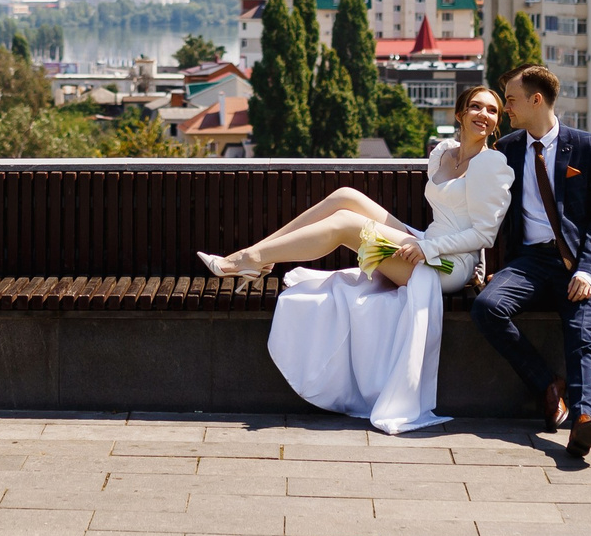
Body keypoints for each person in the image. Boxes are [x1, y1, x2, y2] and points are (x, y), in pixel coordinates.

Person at [197, 88, 512, 433]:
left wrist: (430, 251)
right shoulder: (443, 153)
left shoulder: (491, 165)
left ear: (497, 122)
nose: (484, 114)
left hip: (448, 265)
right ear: (459, 114)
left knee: (348, 226)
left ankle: (248, 258)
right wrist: (423, 243)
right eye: (475, 107)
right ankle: (261, 255)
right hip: (426, 241)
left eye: (492, 111)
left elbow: (484, 235)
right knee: (345, 197)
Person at [474, 63, 591, 458]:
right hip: (531, 263)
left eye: (510, 100)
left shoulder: (589, 148)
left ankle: (585, 421)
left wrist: (589, 269)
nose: (506, 108)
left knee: (581, 334)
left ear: (536, 100)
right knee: (487, 307)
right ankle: (547, 384)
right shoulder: (507, 150)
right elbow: (485, 212)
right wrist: (482, 265)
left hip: (580, 263)